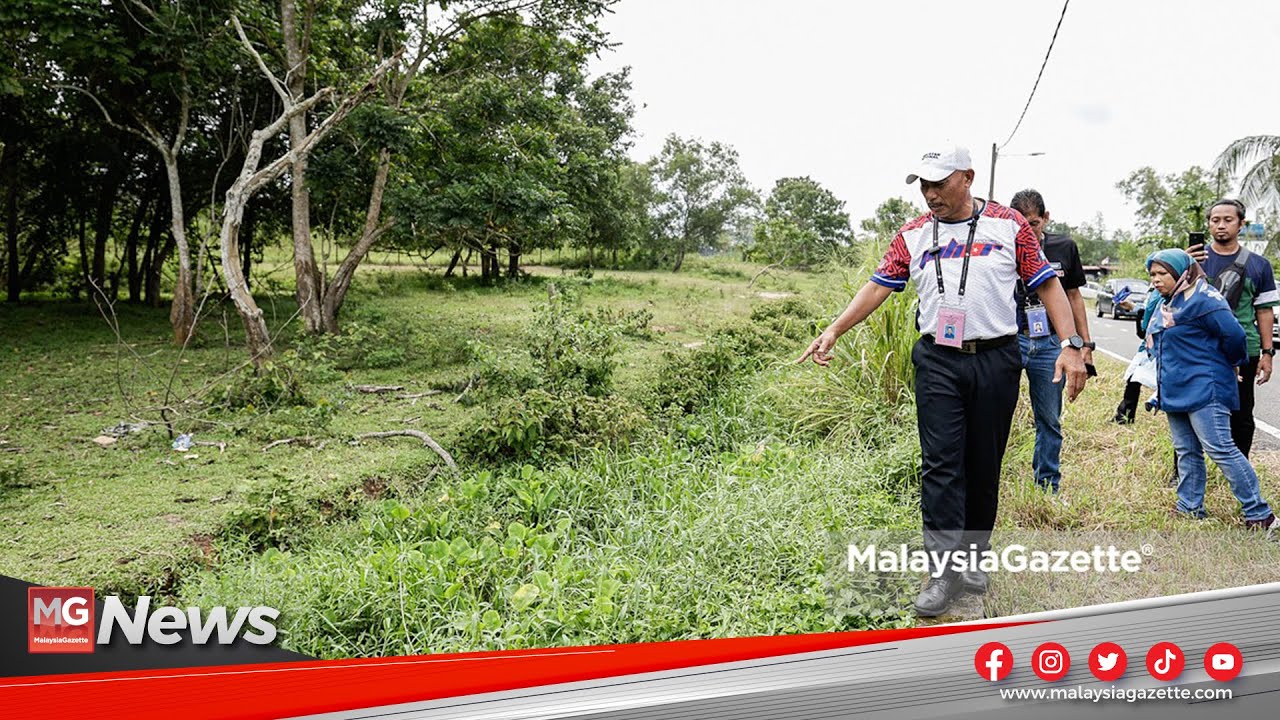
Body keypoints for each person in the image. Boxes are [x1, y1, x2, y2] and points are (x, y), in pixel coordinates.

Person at [798, 145, 1088, 617]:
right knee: (940, 464)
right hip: (937, 360)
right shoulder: (912, 233)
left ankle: (974, 555)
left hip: (996, 358)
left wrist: (1072, 345)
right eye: (924, 185)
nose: (930, 194)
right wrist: (834, 328)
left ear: (968, 177)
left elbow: (1047, 283)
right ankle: (942, 572)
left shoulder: (1008, 225)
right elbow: (877, 285)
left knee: (983, 460)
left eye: (939, 183)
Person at [1144, 248, 1278, 536]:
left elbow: (1235, 336)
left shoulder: (1205, 299)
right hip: (1175, 386)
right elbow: (1148, 332)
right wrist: (1154, 298)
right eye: (1152, 274)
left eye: (1162, 274)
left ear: (1182, 273)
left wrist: (1229, 363)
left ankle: (1260, 514)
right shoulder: (1168, 303)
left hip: (1206, 386)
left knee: (1221, 449)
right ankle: (1190, 507)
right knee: (1186, 451)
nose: (1156, 280)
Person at [1008, 190, 1095, 493]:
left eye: (1033, 222)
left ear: (1045, 218)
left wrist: (1084, 345)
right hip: (1010, 340)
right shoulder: (1001, 246)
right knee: (995, 416)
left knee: (1049, 418)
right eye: (1021, 222)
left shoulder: (1064, 247)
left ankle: (1047, 485)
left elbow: (1073, 297)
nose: (1028, 229)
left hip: (1049, 344)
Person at [1188, 198, 1278, 457]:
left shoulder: (1259, 265)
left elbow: (1263, 311)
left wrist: (1267, 353)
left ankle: (1239, 470)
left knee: (1241, 413)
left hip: (1243, 348)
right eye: (1215, 220)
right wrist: (1186, 265)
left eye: (1228, 220)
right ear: (1208, 224)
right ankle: (1185, 469)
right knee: (1190, 408)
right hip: (1197, 348)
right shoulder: (1193, 259)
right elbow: (1172, 300)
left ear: (1241, 224)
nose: (1221, 225)